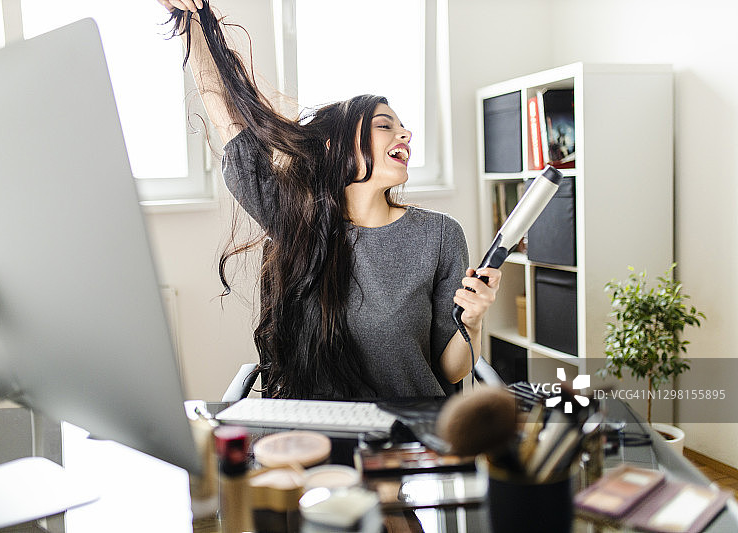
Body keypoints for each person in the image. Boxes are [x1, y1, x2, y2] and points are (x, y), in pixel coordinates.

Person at [158, 0, 501, 399]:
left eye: (405, 128)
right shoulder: (297, 222)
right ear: (336, 146)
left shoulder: (439, 236)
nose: (405, 135)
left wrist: (473, 321)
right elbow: (225, 114)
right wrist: (192, 19)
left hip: (408, 436)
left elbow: (450, 368)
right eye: (385, 125)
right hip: (317, 434)